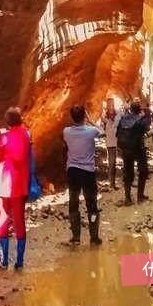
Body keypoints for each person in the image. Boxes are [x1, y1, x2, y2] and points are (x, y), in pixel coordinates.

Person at [0, 107, 31, 270]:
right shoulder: (26, 135)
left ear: (8, 121)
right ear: (20, 119)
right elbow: (25, 157)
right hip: (20, 182)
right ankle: (19, 262)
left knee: (3, 219)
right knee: (19, 221)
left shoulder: (5, 137)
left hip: (4, 181)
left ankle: (4, 261)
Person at [63, 105, 103, 246]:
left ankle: (76, 237)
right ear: (84, 116)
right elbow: (102, 131)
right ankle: (94, 237)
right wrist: (91, 120)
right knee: (91, 205)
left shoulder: (66, 131)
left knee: (73, 203)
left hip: (73, 171)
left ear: (71, 117)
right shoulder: (91, 131)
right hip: (88, 172)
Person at [116, 97, 152, 206]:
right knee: (143, 171)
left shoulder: (123, 119)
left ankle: (128, 198)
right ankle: (140, 196)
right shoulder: (140, 121)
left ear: (130, 109)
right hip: (138, 149)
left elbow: (117, 134)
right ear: (138, 110)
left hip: (126, 150)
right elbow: (147, 131)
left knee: (127, 173)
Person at [100, 97, 121, 190]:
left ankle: (113, 183)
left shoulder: (117, 113)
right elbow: (102, 127)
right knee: (111, 163)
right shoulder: (104, 115)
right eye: (109, 104)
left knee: (114, 163)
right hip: (110, 142)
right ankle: (111, 184)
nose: (110, 105)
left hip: (117, 141)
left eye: (112, 103)